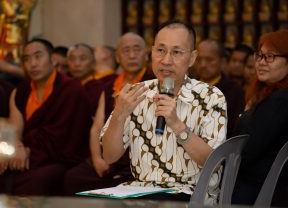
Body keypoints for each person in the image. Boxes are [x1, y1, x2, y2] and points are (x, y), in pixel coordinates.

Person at [101, 20, 227, 205]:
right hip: (140, 193)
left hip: (191, 194)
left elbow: (214, 164)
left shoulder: (211, 97)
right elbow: (109, 156)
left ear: (192, 58)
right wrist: (119, 114)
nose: (166, 60)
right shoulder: (136, 93)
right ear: (151, 53)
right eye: (160, 50)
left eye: (176, 52)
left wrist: (177, 125)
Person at [0, 38, 92, 196]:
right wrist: (14, 148)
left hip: (57, 158)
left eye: (38, 56)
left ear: (52, 60)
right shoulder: (20, 91)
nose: (33, 64)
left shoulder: (71, 89)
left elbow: (65, 137)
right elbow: (14, 128)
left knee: (41, 179)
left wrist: (28, 151)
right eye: (27, 59)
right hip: (24, 155)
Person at [63, 32, 154, 195]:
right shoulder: (108, 86)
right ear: (118, 58)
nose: (132, 55)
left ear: (146, 55)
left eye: (137, 50)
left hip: (137, 157)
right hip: (108, 154)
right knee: (73, 177)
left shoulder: (153, 83)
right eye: (126, 51)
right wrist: (97, 158)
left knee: (125, 182)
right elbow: (97, 126)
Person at [232, 30, 288, 207]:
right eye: (260, 56)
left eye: (270, 57)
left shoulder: (280, 100)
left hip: (259, 192)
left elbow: (247, 151)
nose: (261, 63)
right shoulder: (268, 95)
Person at [195, 39, 245, 138]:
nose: (203, 65)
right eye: (199, 60)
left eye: (209, 60)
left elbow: (235, 128)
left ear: (222, 62)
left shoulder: (234, 91)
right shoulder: (187, 87)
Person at [68, 43, 104, 116]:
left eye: (83, 58)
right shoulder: (65, 87)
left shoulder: (99, 88)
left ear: (93, 62)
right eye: (72, 59)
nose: (76, 64)